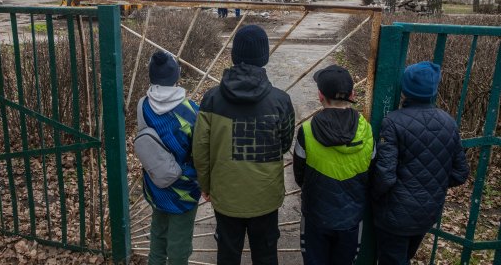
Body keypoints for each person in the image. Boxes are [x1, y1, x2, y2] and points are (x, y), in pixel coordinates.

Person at [193, 25, 295, 265]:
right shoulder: (281, 100)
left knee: (228, 254)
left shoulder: (212, 98)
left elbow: (201, 150)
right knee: (266, 254)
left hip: (226, 194)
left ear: (234, 55)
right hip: (266, 195)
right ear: (264, 56)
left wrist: (206, 185)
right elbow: (284, 142)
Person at [371, 61, 469, 265]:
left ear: (405, 89)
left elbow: (385, 176)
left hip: (395, 214)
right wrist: (431, 185)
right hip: (428, 212)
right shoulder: (448, 122)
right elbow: (460, 172)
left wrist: (372, 196)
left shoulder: (393, 121)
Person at [293, 64, 374, 265]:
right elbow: (372, 171)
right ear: (352, 94)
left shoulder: (307, 130)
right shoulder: (367, 130)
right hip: (351, 217)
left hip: (316, 215)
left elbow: (299, 175)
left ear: (320, 96)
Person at [137, 51, 201, 265]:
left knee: (158, 240)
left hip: (155, 185)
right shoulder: (191, 111)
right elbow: (199, 153)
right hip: (185, 190)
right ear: (176, 77)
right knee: (179, 249)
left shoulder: (143, 106)